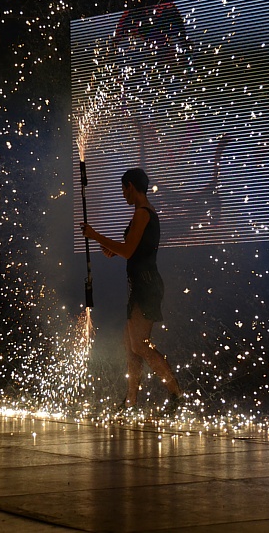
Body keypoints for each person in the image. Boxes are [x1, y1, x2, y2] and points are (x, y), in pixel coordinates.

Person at [80, 168, 185, 413]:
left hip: (147, 285)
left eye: (123, 189)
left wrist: (95, 236)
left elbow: (128, 251)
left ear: (130, 186)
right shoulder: (142, 213)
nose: (123, 194)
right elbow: (132, 249)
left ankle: (177, 394)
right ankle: (130, 402)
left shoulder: (142, 213)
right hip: (139, 284)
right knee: (131, 346)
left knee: (139, 345)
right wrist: (112, 248)